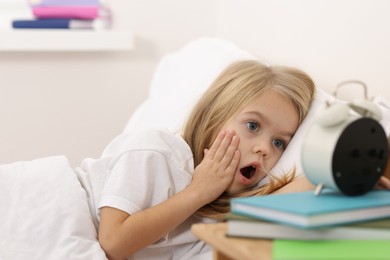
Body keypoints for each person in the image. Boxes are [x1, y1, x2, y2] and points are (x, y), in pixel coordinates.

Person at [75, 59, 317, 259]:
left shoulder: (218, 218)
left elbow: (311, 183)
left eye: (279, 143)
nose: (264, 148)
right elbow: (112, 243)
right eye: (252, 125)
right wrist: (198, 191)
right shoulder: (158, 152)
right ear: (214, 115)